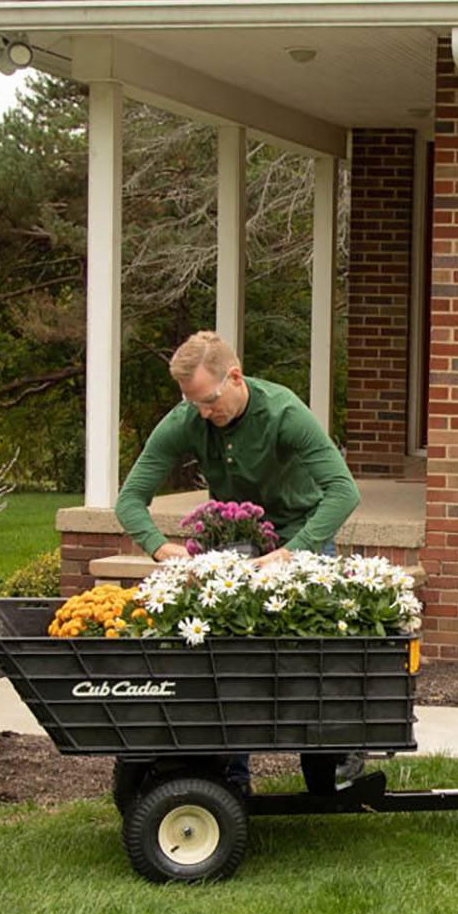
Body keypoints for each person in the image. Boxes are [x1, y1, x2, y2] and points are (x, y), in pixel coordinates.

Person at [116, 331, 363, 793]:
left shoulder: (284, 413)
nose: (204, 413)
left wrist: (292, 552)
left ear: (234, 377)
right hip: (234, 544)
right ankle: (232, 781)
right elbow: (129, 499)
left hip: (300, 538)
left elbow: (343, 492)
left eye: (209, 401)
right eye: (194, 404)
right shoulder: (188, 417)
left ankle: (328, 769)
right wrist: (161, 548)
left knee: (310, 658)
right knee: (229, 667)